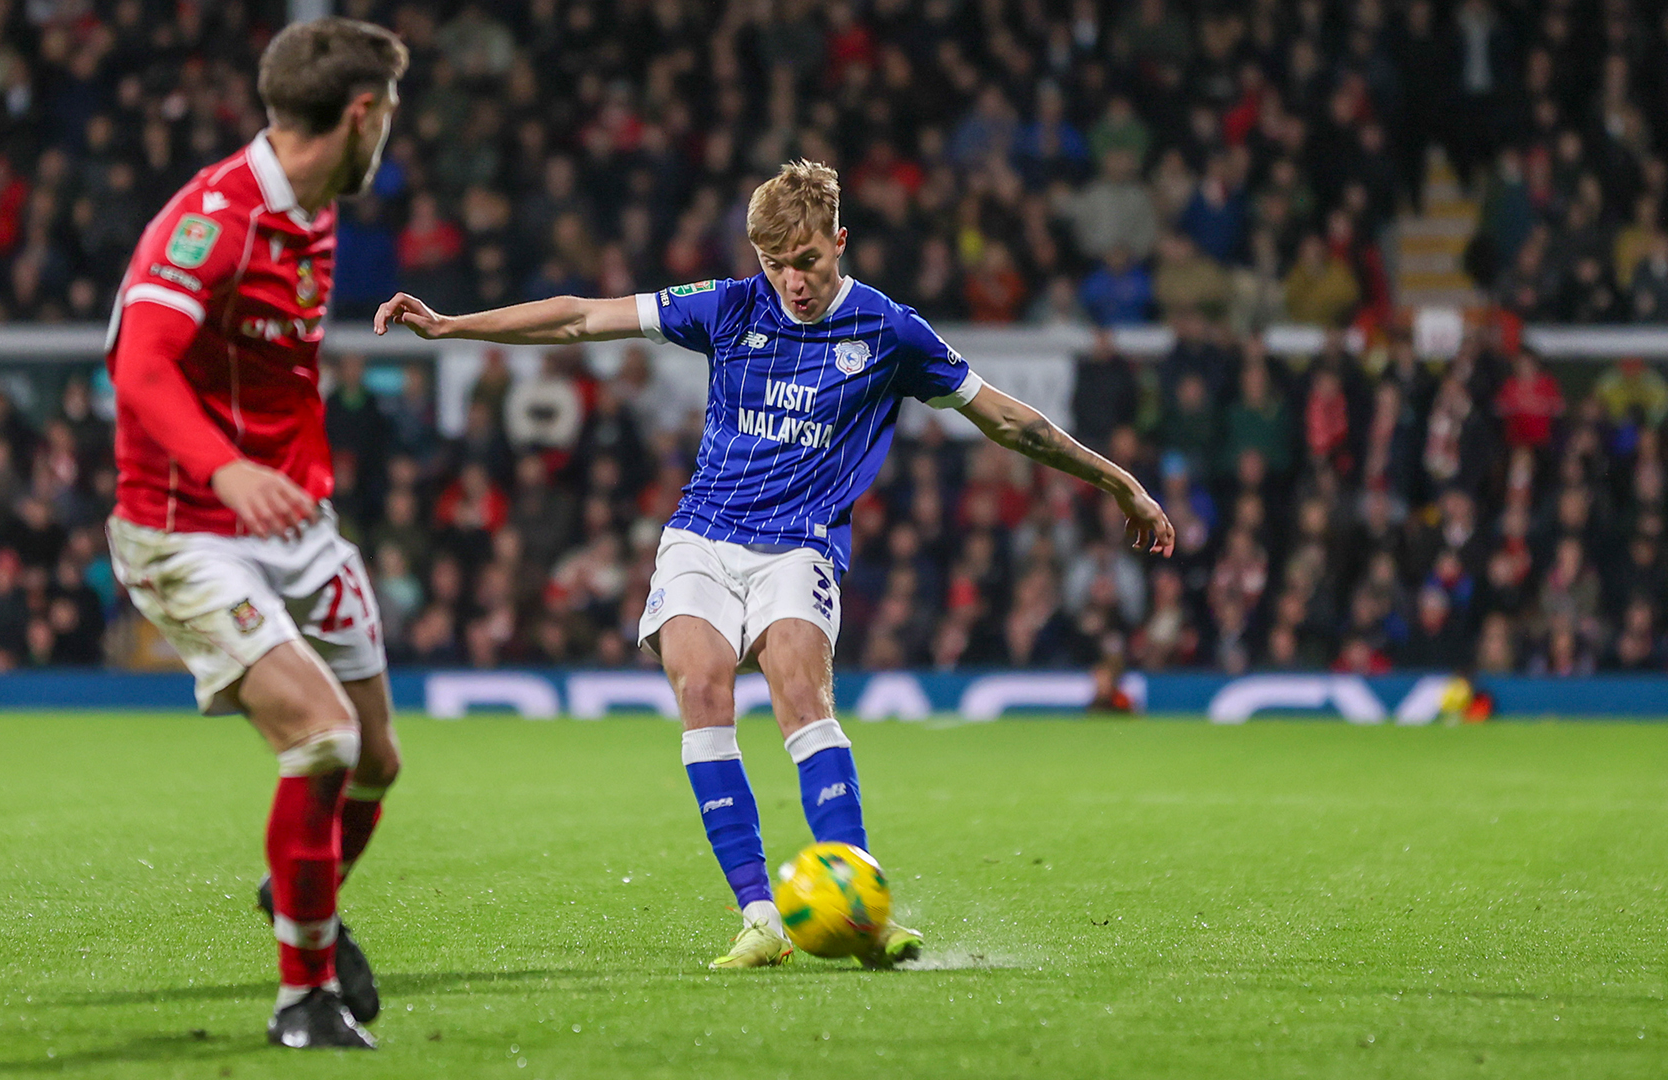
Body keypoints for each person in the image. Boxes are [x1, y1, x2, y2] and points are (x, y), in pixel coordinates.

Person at [376, 160, 1174, 970]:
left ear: (840, 241)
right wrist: (451, 326)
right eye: (775, 263)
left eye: (807, 261)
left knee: (798, 688)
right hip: (704, 535)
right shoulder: (730, 307)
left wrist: (1117, 482)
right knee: (701, 689)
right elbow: (584, 318)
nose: (791, 280)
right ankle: (761, 917)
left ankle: (861, 913)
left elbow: (1008, 421)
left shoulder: (890, 331)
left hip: (801, 542)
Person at [103, 18, 407, 1050]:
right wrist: (226, 467)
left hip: (296, 520)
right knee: (318, 736)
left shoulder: (314, 212)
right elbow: (138, 369)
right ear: (360, 114)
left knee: (375, 760)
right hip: (188, 522)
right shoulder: (213, 220)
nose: (393, 137)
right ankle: (302, 999)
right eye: (391, 115)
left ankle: (295, 897)